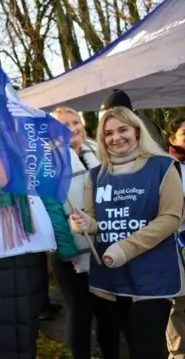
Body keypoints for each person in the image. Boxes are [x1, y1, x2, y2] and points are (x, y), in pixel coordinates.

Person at [0, 100, 78, 359]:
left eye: (0, 117)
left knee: (24, 332)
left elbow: (48, 202)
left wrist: (65, 243)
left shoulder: (25, 158)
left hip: (29, 261)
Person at [70, 106, 184, 359]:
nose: (116, 137)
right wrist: (83, 223)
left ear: (136, 131)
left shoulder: (163, 167)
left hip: (153, 273)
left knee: (147, 349)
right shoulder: (95, 175)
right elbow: (97, 220)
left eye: (122, 130)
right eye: (108, 133)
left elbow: (171, 218)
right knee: (125, 345)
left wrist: (126, 248)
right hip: (112, 276)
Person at [50, 106, 100, 359]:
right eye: (64, 125)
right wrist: (65, 242)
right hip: (69, 249)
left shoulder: (99, 152)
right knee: (80, 312)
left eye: (75, 122)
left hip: (104, 246)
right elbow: (48, 210)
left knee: (107, 311)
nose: (72, 129)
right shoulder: (48, 164)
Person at [165, 115, 185, 359]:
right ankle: (178, 353)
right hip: (174, 242)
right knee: (178, 301)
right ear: (172, 139)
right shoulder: (167, 166)